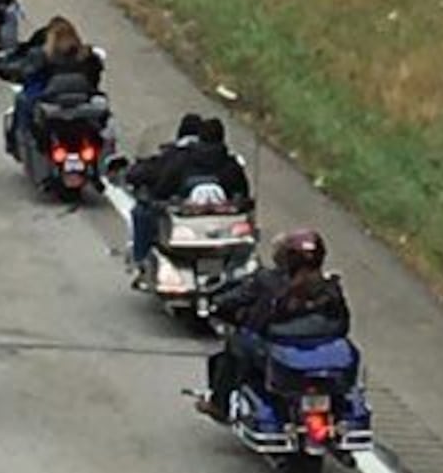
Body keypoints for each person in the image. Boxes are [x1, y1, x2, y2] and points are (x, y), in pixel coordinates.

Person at [200, 229, 350, 422]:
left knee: (236, 345)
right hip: (323, 353)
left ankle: (219, 404)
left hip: (276, 351)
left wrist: (216, 304)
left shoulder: (268, 280)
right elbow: (343, 322)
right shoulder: (330, 285)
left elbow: (234, 300)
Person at [125, 115, 250, 269]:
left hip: (185, 224)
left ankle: (141, 258)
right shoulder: (231, 164)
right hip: (223, 227)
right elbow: (243, 192)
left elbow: (163, 188)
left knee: (142, 212)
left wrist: (156, 198)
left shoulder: (182, 159)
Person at [0, 16, 104, 157]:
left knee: (23, 101)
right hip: (83, 100)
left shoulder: (42, 55)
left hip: (52, 100)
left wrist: (6, 68)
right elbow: (95, 76)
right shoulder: (87, 55)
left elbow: (26, 72)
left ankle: (19, 144)